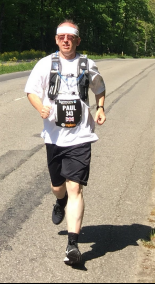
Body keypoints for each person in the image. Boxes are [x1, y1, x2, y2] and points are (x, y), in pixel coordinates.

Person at [24, 20, 106, 265]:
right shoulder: (45, 64)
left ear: (78, 40)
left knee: (75, 188)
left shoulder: (87, 64)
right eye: (62, 37)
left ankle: (72, 246)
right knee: (58, 186)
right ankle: (60, 202)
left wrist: (100, 107)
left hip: (81, 136)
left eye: (71, 37)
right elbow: (31, 90)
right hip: (54, 136)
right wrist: (40, 107)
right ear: (56, 39)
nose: (66, 40)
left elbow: (99, 88)